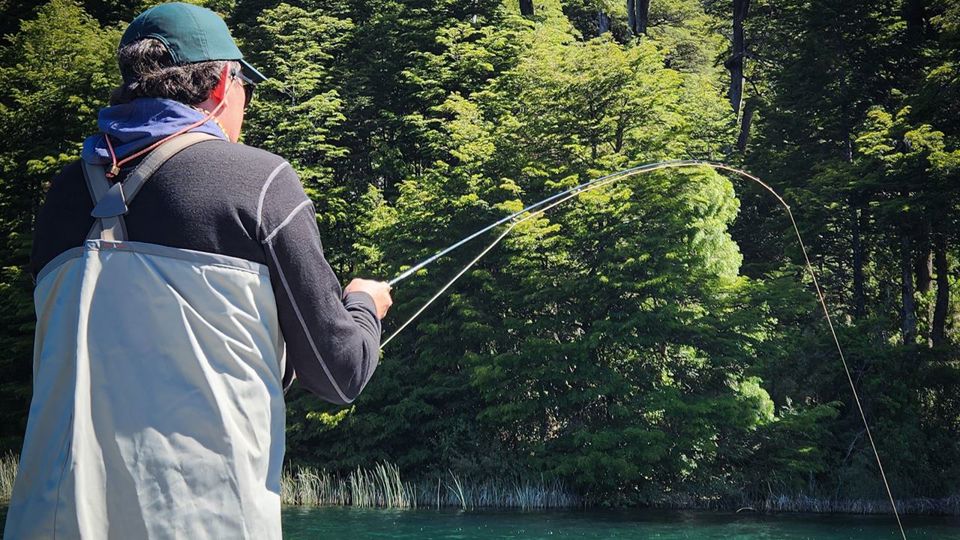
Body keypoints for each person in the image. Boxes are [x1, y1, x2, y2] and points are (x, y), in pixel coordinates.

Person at [3, 3, 392, 538]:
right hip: (205, 521)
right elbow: (339, 373)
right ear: (222, 85)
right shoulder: (257, 180)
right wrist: (365, 305)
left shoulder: (61, 197)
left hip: (45, 520)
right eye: (245, 86)